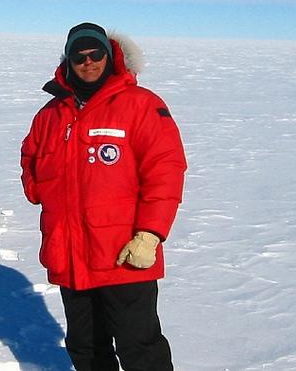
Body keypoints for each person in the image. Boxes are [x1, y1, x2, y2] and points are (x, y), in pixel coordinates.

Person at [20, 23, 187, 371]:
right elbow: (31, 161)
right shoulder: (50, 115)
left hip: (124, 254)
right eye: (79, 56)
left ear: (110, 57)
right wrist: (44, 191)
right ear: (68, 62)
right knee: (86, 349)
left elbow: (165, 172)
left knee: (140, 348)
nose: (88, 62)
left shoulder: (141, 106)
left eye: (96, 54)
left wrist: (150, 234)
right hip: (69, 253)